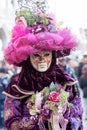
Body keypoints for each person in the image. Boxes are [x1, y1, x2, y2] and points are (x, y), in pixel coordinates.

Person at [3, 0, 83, 130]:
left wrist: (61, 116)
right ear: (28, 57)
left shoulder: (66, 81)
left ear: (53, 57)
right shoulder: (17, 85)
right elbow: (11, 122)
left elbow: (78, 117)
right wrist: (36, 117)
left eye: (46, 55)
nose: (42, 60)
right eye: (36, 55)